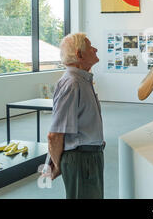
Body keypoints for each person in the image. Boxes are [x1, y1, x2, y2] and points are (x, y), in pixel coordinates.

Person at [47, 32, 105, 199]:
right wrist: (58, 166)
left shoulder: (82, 81)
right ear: (79, 54)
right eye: (90, 47)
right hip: (81, 160)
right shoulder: (72, 83)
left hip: (90, 157)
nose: (95, 49)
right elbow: (54, 135)